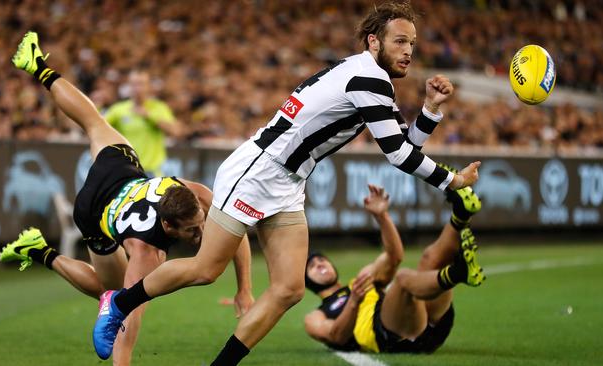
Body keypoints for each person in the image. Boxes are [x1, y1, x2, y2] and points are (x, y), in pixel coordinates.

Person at [92, 2, 482, 364]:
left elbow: (404, 145)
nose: (408, 51)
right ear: (373, 41)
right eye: (400, 41)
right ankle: (120, 303)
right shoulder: (369, 80)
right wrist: (452, 181)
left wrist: (429, 110)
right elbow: (399, 155)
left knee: (290, 288)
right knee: (204, 270)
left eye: (412, 43)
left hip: (288, 182)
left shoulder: (371, 77)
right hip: (258, 171)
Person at [1, 31, 253, 366]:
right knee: (112, 293)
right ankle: (40, 250)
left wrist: (244, 289)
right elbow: (127, 316)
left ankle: (37, 66)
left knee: (94, 122)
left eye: (200, 225)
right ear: (167, 226)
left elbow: (235, 229)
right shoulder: (146, 251)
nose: (200, 235)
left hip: (122, 171)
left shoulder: (198, 194)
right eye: (191, 231)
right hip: (93, 210)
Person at [304, 181, 484, 354]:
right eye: (311, 266)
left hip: (427, 323)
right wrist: (353, 302)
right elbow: (336, 337)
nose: (319, 264)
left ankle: (461, 214)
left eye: (321, 259)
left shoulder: (360, 280)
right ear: (305, 279)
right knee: (403, 279)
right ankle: (458, 271)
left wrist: (382, 217)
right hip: (390, 337)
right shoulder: (316, 316)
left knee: (429, 258)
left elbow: (394, 257)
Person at [104, 70, 185, 176]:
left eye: (141, 84)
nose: (137, 89)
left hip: (153, 172)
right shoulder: (118, 110)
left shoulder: (159, 108)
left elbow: (176, 131)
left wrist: (150, 117)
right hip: (127, 170)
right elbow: (98, 126)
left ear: (149, 87)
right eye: (134, 84)